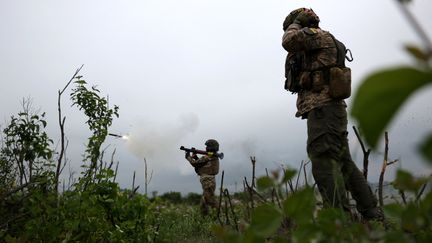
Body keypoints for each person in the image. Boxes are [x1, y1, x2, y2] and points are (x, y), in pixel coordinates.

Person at [282, 8, 383, 220]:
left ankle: (339, 221)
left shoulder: (315, 35)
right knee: (344, 162)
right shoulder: (323, 38)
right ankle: (371, 214)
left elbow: (288, 41)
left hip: (323, 110)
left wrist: (296, 24)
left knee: (322, 163)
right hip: (330, 111)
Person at [185, 139, 220, 216]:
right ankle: (205, 217)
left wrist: (188, 156)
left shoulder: (209, 156)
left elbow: (195, 163)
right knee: (204, 201)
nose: (206, 148)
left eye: (207, 146)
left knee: (210, 199)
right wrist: (196, 156)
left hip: (208, 181)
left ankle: (219, 215)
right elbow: (201, 164)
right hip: (208, 180)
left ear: (210, 148)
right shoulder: (212, 156)